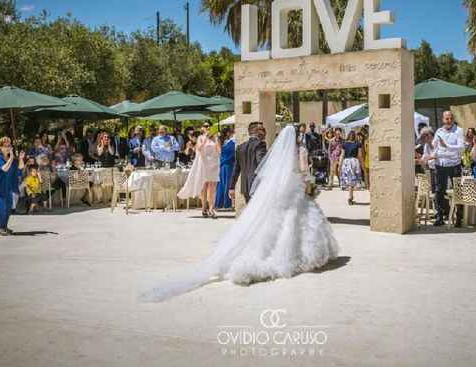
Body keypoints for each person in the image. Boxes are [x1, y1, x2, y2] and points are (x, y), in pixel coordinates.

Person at [140, 125, 338, 302]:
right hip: (284, 189)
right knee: (288, 223)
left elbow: (242, 168)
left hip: (259, 189)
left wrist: (235, 186)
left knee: (262, 223)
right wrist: (307, 184)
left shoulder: (242, 147)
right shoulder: (285, 149)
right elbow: (290, 171)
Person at [178, 122, 220, 218]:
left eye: (209, 126)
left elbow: (219, 151)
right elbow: (199, 149)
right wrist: (205, 138)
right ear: (202, 128)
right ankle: (204, 208)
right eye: (205, 126)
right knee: (204, 187)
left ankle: (211, 208)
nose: (207, 127)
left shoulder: (215, 138)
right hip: (204, 164)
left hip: (213, 163)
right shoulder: (200, 138)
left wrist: (216, 140)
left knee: (213, 188)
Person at [431, 111, 465, 226]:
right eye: (446, 119)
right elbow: (434, 146)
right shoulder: (439, 131)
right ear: (443, 119)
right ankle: (440, 216)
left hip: (454, 165)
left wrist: (447, 146)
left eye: (450, 118)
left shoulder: (459, 131)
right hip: (440, 164)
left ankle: (459, 218)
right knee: (439, 191)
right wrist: (433, 153)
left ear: (453, 119)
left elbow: (461, 148)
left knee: (458, 191)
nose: (449, 121)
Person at [0, 137, 25, 235]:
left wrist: (21, 158)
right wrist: (11, 158)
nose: (8, 147)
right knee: (2, 208)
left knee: (9, 207)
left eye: (9, 146)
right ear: (0, 147)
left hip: (8, 186)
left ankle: (4, 226)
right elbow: (4, 169)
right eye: (5, 146)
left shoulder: (11, 158)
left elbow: (20, 167)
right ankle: (0, 228)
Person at [228, 122, 268, 204]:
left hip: (245, 187)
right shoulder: (260, 144)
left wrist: (231, 187)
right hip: (257, 185)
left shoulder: (240, 147)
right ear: (257, 132)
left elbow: (236, 169)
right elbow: (261, 164)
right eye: (263, 129)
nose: (265, 132)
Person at [340, 131, 364, 205]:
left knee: (349, 180)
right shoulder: (358, 144)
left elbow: (342, 155)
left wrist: (340, 165)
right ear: (355, 136)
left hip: (346, 162)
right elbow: (360, 156)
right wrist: (362, 165)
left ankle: (351, 196)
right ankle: (350, 197)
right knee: (352, 181)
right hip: (354, 162)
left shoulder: (344, 144)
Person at [214, 127, 236, 210]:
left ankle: (219, 203)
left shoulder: (222, 142)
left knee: (222, 184)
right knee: (227, 184)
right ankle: (227, 203)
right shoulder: (231, 142)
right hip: (228, 165)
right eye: (231, 132)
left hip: (222, 164)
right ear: (228, 133)